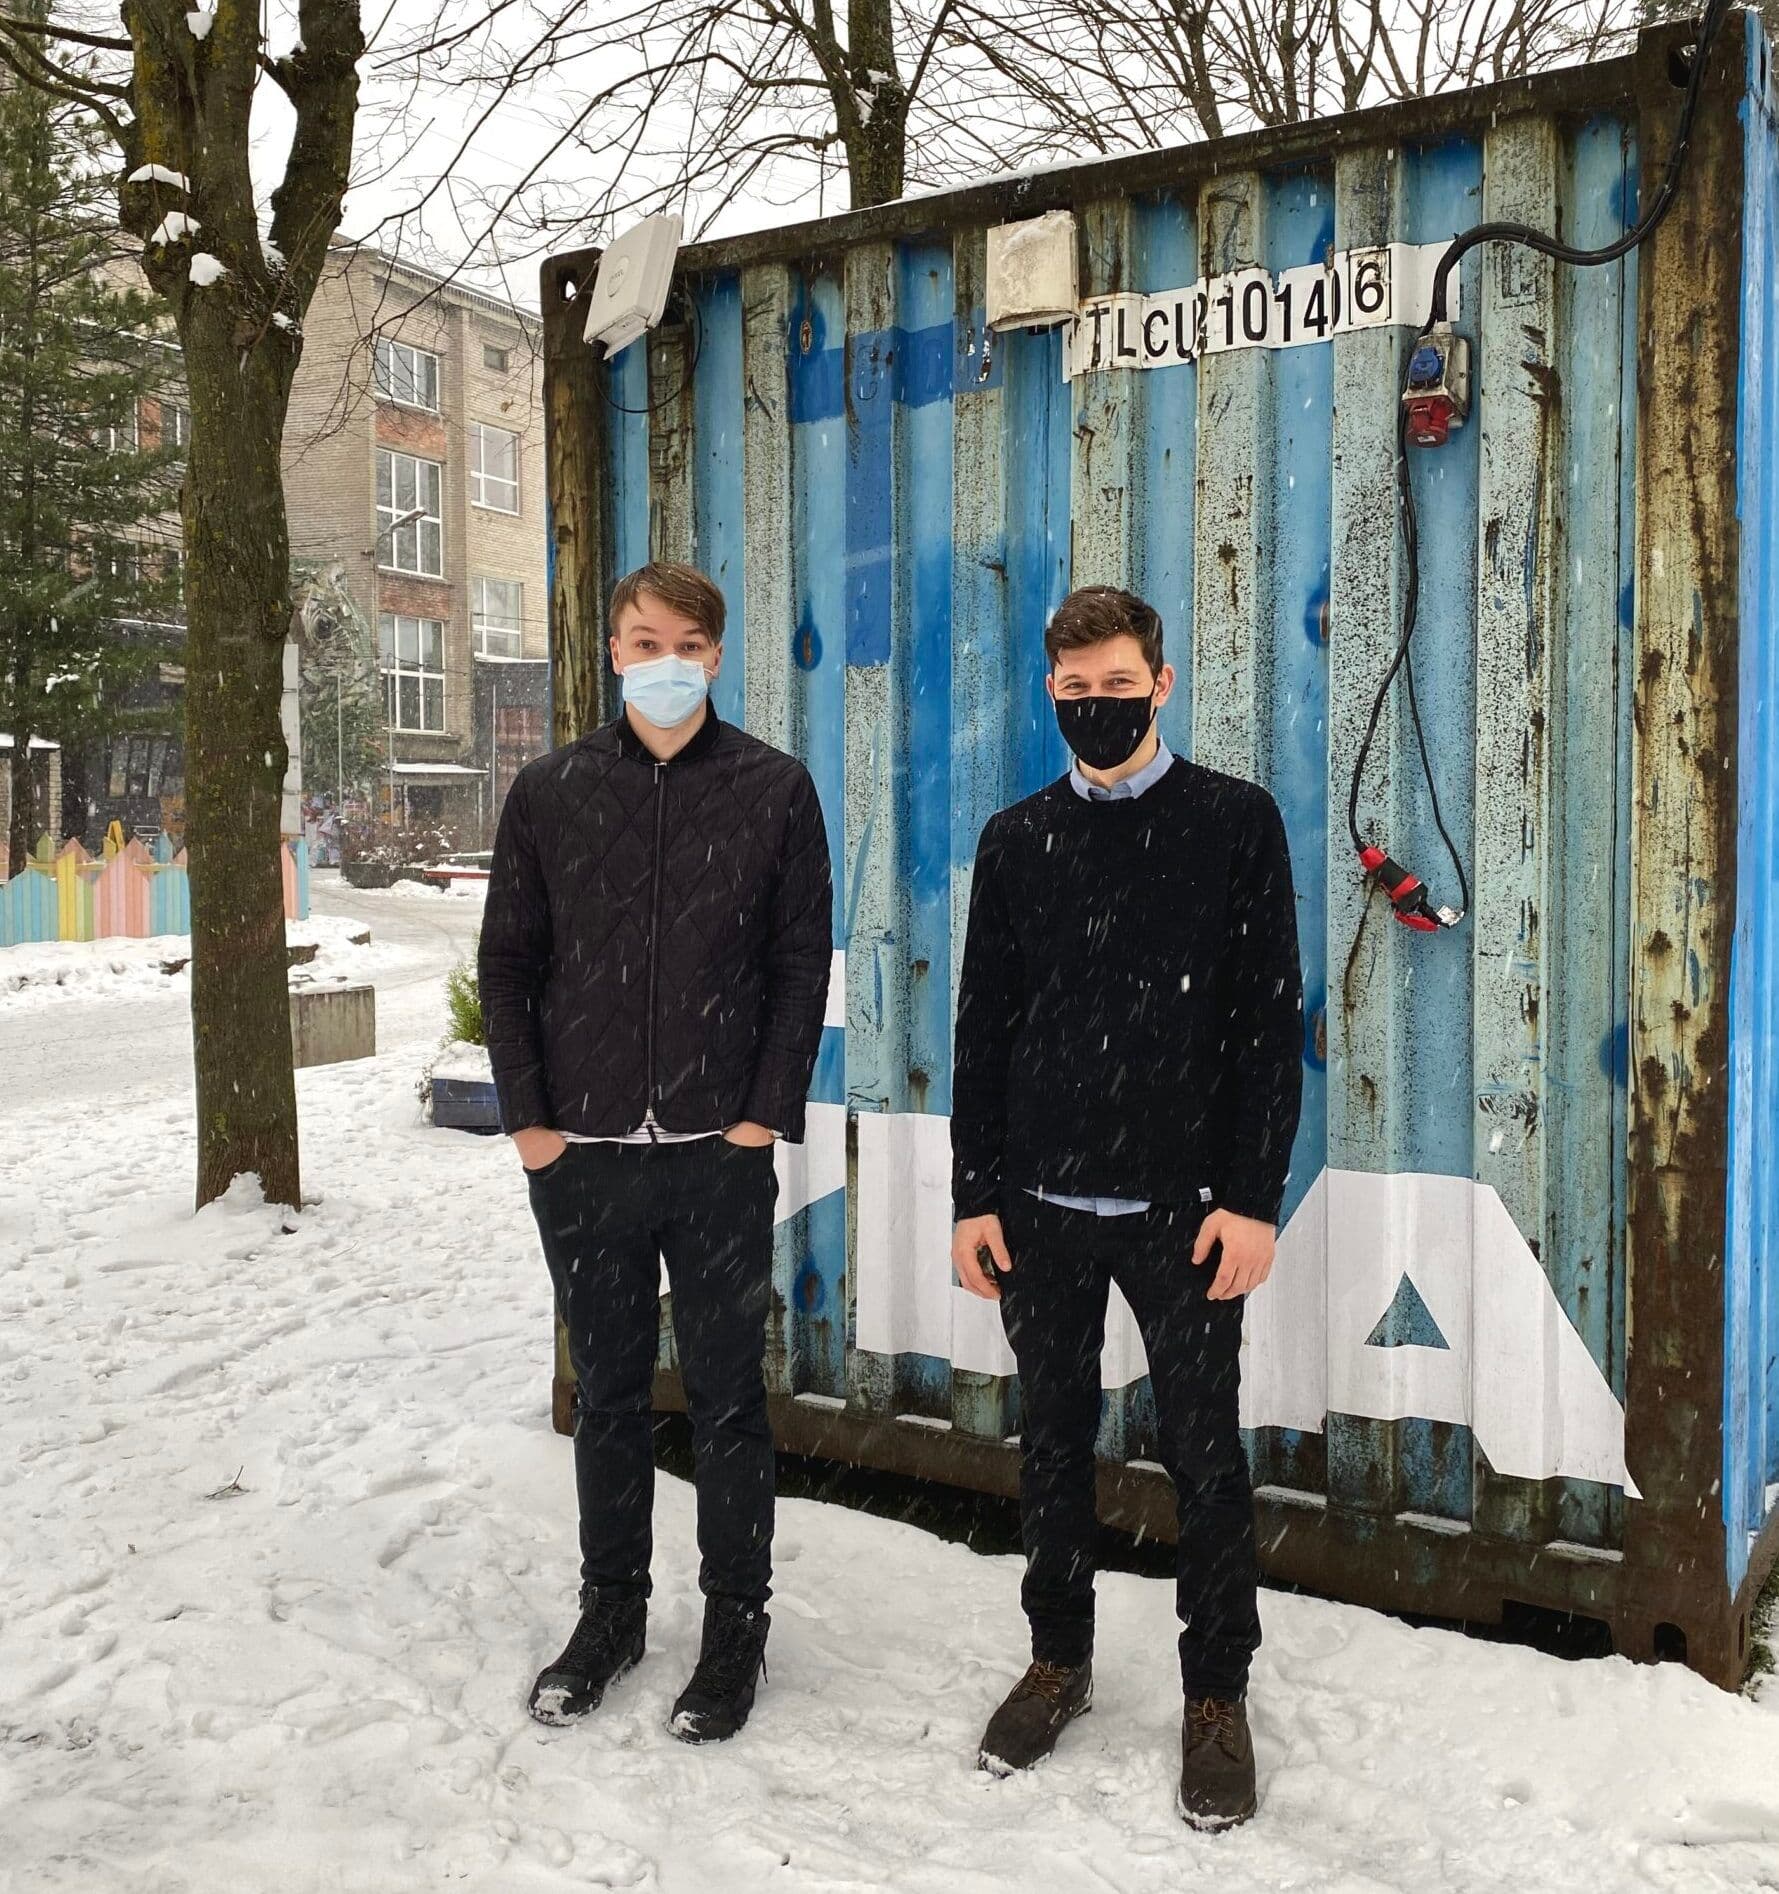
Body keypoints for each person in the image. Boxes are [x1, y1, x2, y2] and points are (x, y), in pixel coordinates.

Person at [949, 585, 1303, 1830]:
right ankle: (1059, 1659)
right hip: (1040, 1208)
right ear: (1051, 693)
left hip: (1185, 1213)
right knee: (1051, 1443)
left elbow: (1268, 1028)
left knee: (1203, 1456)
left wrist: (1252, 1200)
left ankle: (1216, 1694)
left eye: (1117, 685)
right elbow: (984, 1029)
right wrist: (975, 1196)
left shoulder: (1234, 823)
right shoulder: (1017, 839)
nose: (1096, 706)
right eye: (1075, 689)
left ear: (1162, 683)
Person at [479, 560, 832, 1744]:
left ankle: (735, 1629)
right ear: (614, 652)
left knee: (729, 1401)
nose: (665, 660)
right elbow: (509, 964)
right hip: (582, 1158)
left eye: (687, 642)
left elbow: (799, 966)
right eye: (644, 641)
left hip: (716, 1156)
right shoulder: (551, 790)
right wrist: (532, 1126)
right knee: (611, 1397)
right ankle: (611, 1614)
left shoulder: (774, 790)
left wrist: (759, 1119)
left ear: (716, 656)